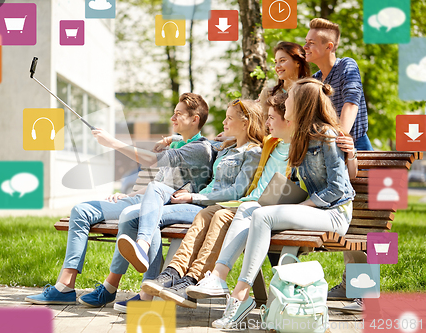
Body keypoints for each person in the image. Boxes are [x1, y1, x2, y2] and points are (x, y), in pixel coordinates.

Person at [191, 78, 355, 329]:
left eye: (289, 98)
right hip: (313, 209)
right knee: (249, 207)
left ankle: (240, 295)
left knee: (262, 215)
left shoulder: (326, 135)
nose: (284, 101)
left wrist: (303, 207)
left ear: (301, 104)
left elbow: (339, 189)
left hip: (334, 213)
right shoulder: (301, 136)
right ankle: (218, 277)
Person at [25, 93, 214, 306]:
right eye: (173, 113)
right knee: (81, 210)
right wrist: (131, 195)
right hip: (148, 200)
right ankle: (65, 286)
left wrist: (113, 143)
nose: (172, 118)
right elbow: (160, 181)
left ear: (195, 119)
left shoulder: (199, 149)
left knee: (138, 216)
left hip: (173, 207)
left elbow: (152, 161)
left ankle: (130, 290)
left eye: (178, 114)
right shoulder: (178, 143)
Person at [108, 99, 264, 311]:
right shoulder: (225, 148)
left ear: (245, 123)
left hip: (209, 205)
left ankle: (148, 290)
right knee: (151, 205)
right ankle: (155, 276)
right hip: (199, 203)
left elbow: (236, 191)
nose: (224, 123)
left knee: (151, 215)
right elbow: (203, 143)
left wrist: (193, 197)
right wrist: (170, 138)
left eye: (229, 118)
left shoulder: (252, 152)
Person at [304, 17, 370, 311]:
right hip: (335, 154)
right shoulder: (318, 78)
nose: (305, 46)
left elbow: (351, 102)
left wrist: (341, 138)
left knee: (363, 226)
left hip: (358, 151)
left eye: (310, 42)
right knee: (350, 221)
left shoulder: (347, 66)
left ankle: (362, 292)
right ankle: (350, 287)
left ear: (328, 46)